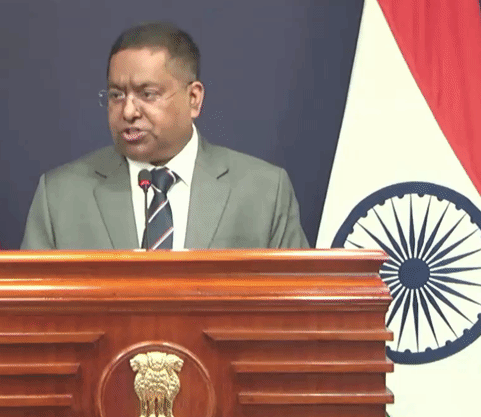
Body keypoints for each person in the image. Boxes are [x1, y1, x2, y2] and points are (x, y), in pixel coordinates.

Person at [21, 22, 309, 250]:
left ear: (193, 98)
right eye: (116, 95)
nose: (128, 111)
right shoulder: (60, 196)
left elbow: (296, 299)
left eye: (147, 94)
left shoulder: (263, 191)